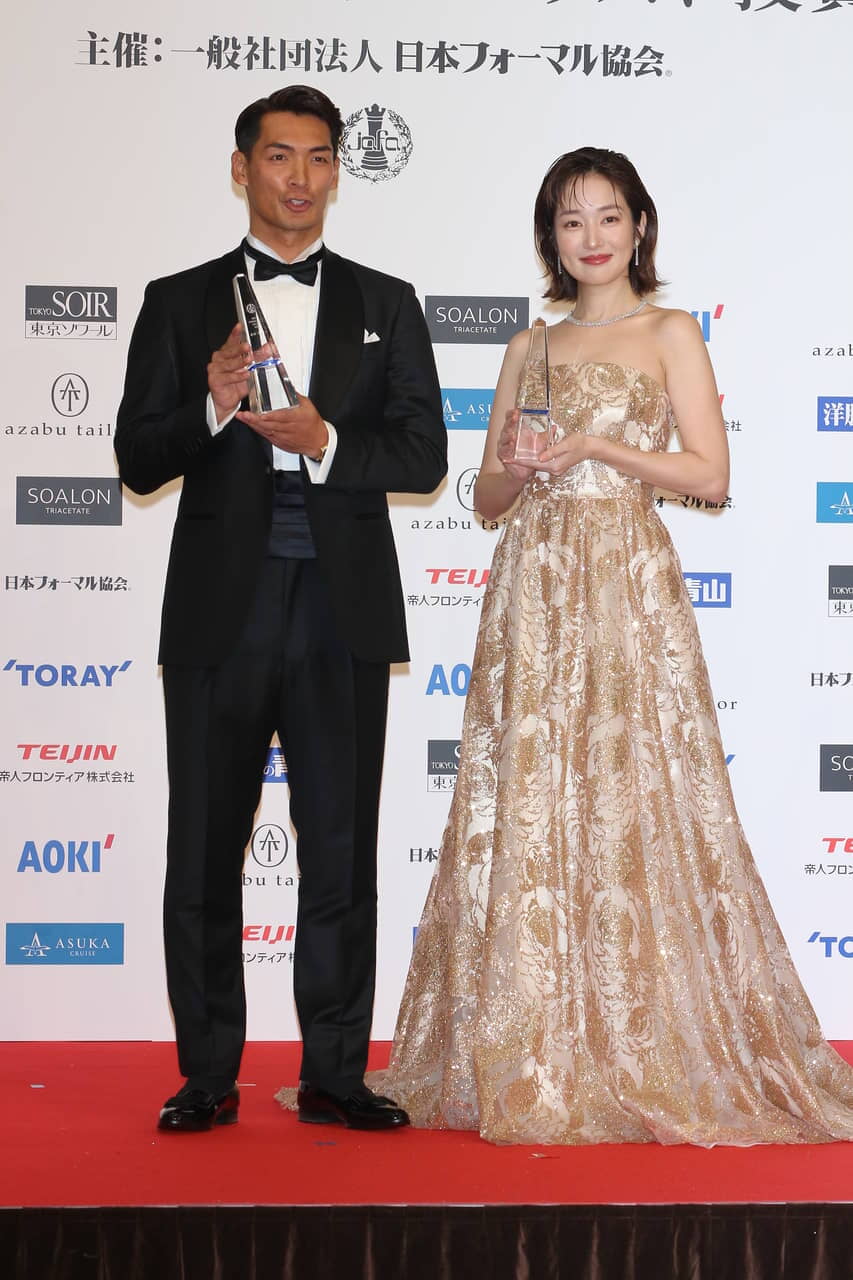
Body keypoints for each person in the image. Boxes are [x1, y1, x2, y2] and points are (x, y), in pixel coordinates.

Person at [373, 147, 853, 1145]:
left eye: (606, 216)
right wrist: (516, 467)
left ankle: (642, 1040)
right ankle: (532, 1043)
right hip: (535, 588)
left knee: (638, 797)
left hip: (627, 581)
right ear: (549, 238)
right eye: (568, 220)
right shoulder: (528, 345)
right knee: (531, 799)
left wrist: (595, 447)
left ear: (639, 226)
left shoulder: (670, 331)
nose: (589, 237)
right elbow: (486, 500)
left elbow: (709, 475)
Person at [115, 85, 447, 1134]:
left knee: (340, 853)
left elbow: (424, 454)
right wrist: (213, 405)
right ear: (241, 168)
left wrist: (325, 441)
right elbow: (136, 457)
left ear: (337, 171)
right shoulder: (179, 301)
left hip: (341, 614)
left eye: (317, 157)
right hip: (221, 610)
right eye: (277, 156)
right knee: (203, 851)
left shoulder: (386, 300)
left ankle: (336, 1074)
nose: (299, 176)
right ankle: (207, 1074)